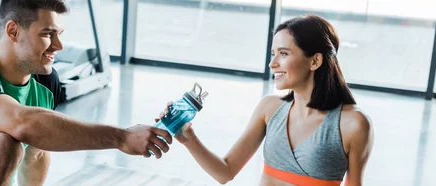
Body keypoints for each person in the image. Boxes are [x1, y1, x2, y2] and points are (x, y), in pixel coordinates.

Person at [0, 0, 173, 186]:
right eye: (48, 34)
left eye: (59, 33)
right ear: (13, 31)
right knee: (2, 144)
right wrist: (121, 137)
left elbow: (36, 154)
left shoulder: (46, 81)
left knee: (20, 142)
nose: (59, 45)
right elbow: (22, 123)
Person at [157, 15, 374, 186]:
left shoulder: (353, 123)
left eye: (283, 53)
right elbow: (225, 172)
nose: (272, 64)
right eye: (273, 53)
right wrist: (188, 139)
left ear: (315, 60)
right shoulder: (270, 108)